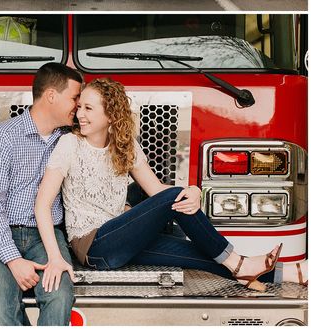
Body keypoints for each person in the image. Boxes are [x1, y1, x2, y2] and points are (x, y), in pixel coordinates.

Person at [35, 78, 307, 294]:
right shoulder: (69, 145)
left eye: (88, 108)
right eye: (80, 106)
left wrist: (194, 192)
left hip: (123, 239)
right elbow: (42, 205)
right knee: (177, 199)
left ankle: (287, 273)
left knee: (198, 255)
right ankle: (240, 263)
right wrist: (56, 257)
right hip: (93, 247)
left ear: (110, 115)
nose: (79, 114)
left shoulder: (125, 147)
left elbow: (155, 191)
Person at [0, 62, 83, 325]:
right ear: (51, 96)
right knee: (0, 313)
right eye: (74, 98)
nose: (78, 106)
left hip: (46, 236)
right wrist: (13, 259)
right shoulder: (1, 139)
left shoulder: (70, 139)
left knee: (59, 299)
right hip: (0, 234)